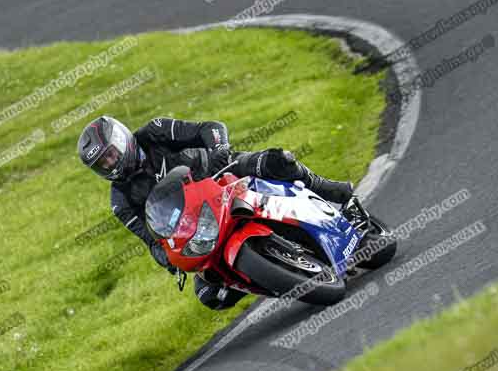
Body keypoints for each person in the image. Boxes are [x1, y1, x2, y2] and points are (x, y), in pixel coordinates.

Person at [77, 115, 354, 310]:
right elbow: (150, 239)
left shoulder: (154, 131)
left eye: (111, 154)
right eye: (102, 164)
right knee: (211, 295)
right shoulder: (120, 200)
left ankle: (326, 189)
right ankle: (271, 274)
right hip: (199, 223)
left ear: (122, 140)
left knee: (278, 160)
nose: (110, 164)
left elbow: (210, 128)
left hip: (221, 174)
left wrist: (219, 149)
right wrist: (169, 260)